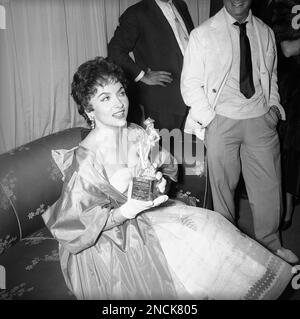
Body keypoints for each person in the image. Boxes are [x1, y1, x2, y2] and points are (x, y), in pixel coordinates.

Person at [42, 57, 293, 300]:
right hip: (105, 241)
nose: (119, 103)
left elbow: (160, 169)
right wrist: (126, 211)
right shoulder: (87, 160)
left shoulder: (134, 133)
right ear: (89, 110)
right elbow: (71, 226)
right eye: (105, 98)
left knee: (209, 227)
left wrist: (158, 181)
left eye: (120, 92)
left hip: (145, 216)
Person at [180, 0, 299, 264]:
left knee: (269, 187)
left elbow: (271, 76)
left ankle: (271, 245)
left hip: (260, 120)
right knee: (222, 191)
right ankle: (229, 249)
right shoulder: (202, 34)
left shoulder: (265, 31)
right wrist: (210, 119)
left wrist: (273, 107)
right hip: (220, 120)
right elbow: (190, 85)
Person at [108, 0, 194, 131]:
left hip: (193, 95)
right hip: (163, 102)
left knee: (189, 149)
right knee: (163, 149)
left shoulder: (181, 5)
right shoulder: (136, 13)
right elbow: (115, 50)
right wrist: (142, 75)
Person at [272, 0, 300, 230]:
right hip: (285, 91)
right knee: (285, 153)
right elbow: (287, 48)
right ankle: (285, 209)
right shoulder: (279, 5)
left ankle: (287, 208)